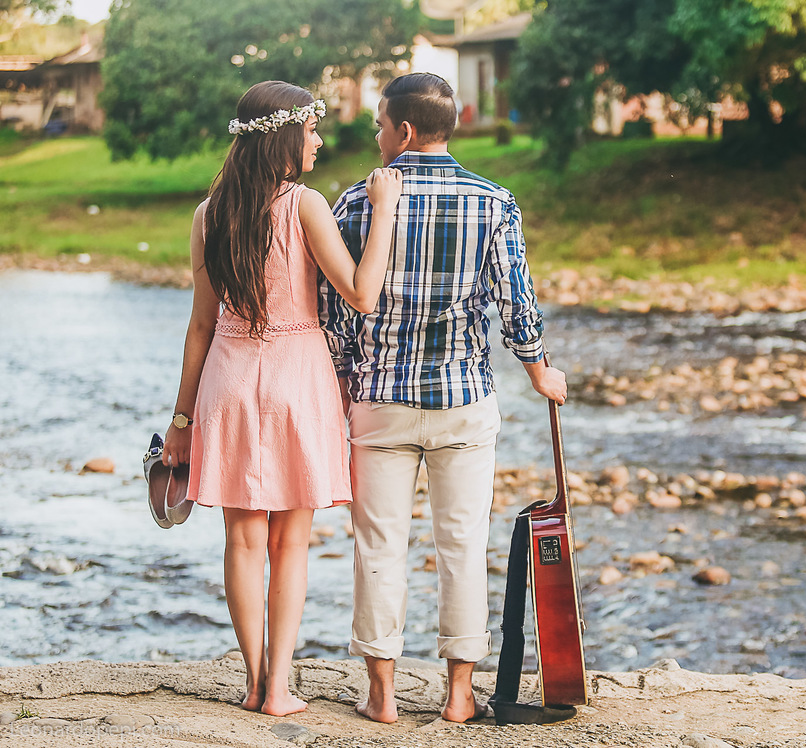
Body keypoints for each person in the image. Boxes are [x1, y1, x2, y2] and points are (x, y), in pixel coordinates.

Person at [318, 72, 568, 724]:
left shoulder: (356, 202)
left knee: (379, 544)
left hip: (379, 400)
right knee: (462, 542)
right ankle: (460, 694)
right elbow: (516, 298)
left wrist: (345, 379)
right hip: (463, 400)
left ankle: (382, 694)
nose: (376, 136)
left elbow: (337, 308)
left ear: (403, 131)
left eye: (379, 125)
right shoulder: (494, 202)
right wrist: (538, 367)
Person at [160, 80, 404, 717]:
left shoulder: (208, 214)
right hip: (298, 378)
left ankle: (251, 680)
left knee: (241, 542)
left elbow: (200, 327)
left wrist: (180, 419)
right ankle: (279, 690)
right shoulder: (305, 205)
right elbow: (362, 292)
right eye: (312, 130)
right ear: (283, 136)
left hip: (229, 382)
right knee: (289, 543)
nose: (318, 141)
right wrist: (381, 213)